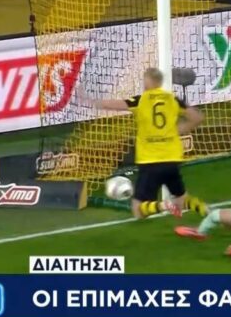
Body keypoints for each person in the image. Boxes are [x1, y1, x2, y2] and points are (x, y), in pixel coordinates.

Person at [83, 68, 207, 219]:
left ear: (148, 83)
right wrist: (178, 130)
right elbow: (198, 118)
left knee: (138, 210)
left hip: (150, 161)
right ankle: (205, 210)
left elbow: (112, 105)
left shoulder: (141, 100)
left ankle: (163, 205)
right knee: (182, 199)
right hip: (172, 159)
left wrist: (89, 100)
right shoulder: (173, 99)